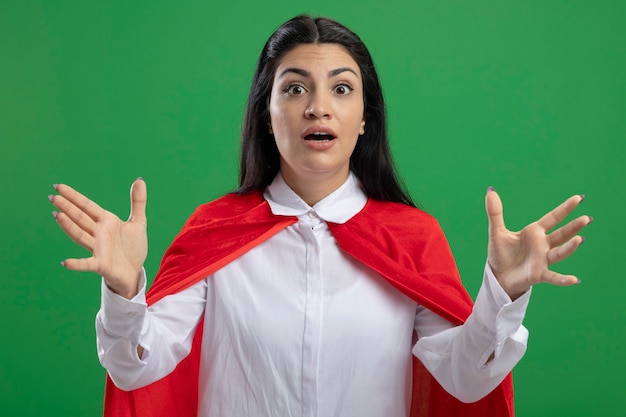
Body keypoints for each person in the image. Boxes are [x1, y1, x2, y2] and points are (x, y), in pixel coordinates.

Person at [49, 15, 591, 417]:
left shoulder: (411, 236)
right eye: (294, 88)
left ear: (362, 120)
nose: (318, 107)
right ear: (266, 115)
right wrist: (124, 294)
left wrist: (504, 296)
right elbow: (138, 366)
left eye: (341, 88)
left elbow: (465, 380)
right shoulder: (214, 230)